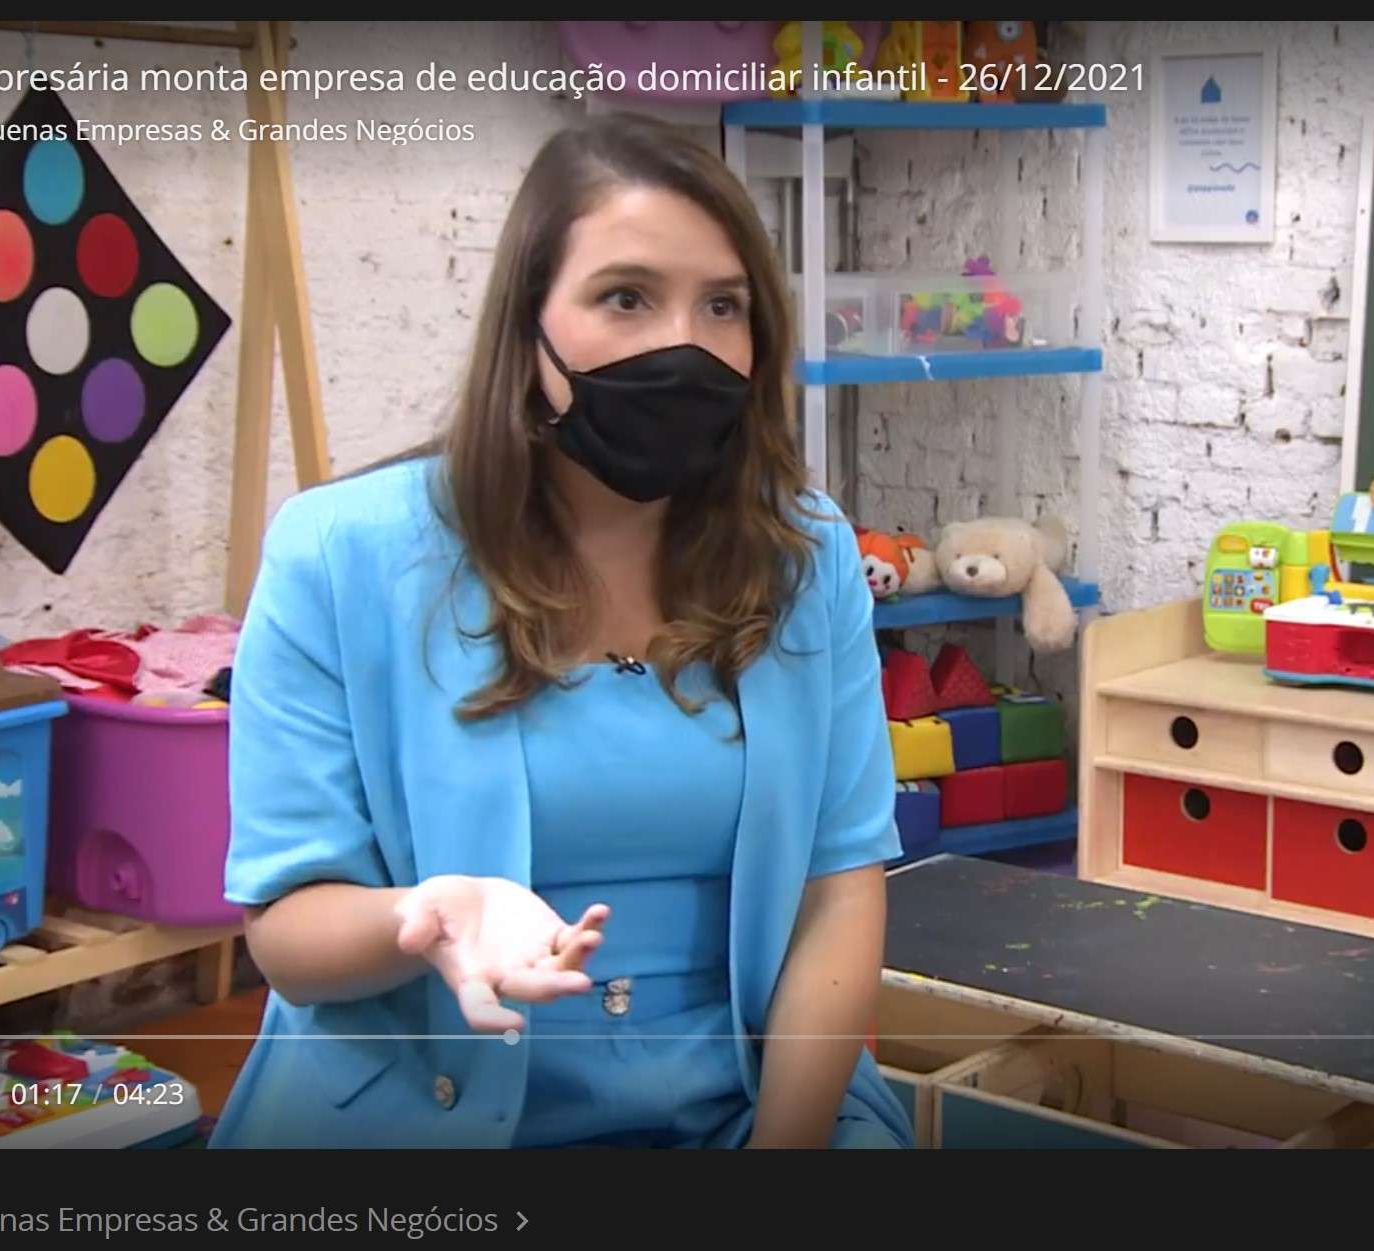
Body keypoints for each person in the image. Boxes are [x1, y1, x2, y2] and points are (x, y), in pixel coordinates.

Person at [211, 114, 909, 1149]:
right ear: (526, 325)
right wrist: (423, 918)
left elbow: (838, 892)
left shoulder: (804, 556)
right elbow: (287, 936)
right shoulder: (338, 555)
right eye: (626, 298)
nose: (682, 344)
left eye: (722, 305)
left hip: (747, 1112)